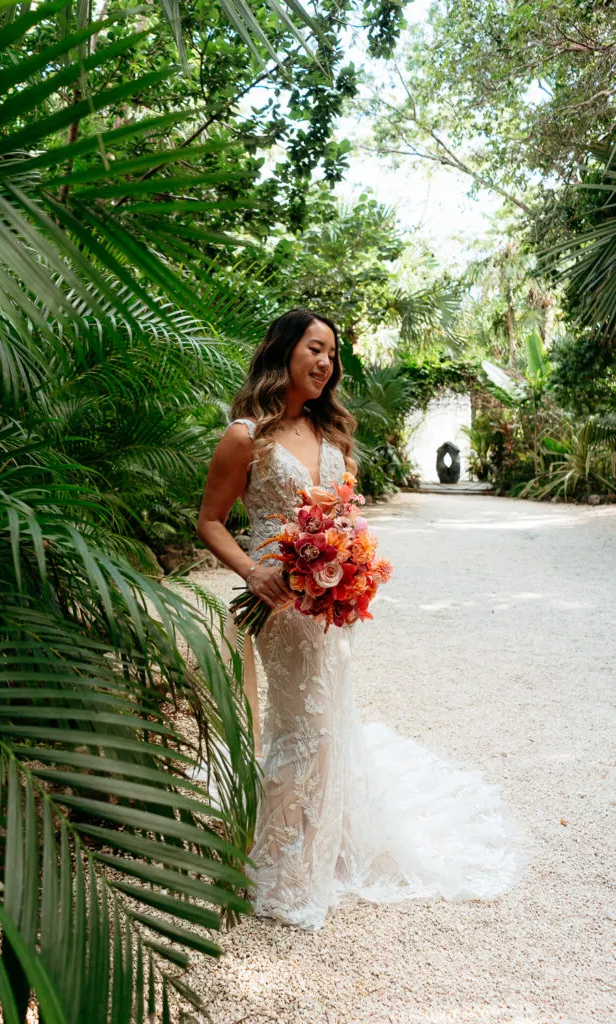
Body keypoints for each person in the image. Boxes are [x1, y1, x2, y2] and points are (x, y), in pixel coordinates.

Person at [197, 308, 534, 931]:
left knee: (329, 720)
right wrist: (253, 572)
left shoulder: (331, 434)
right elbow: (210, 520)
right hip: (278, 598)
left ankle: (323, 843)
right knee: (305, 729)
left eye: (332, 353)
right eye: (315, 349)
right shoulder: (247, 435)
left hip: (330, 601)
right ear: (283, 352)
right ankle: (275, 864)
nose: (326, 363)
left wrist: (352, 561)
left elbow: (344, 513)